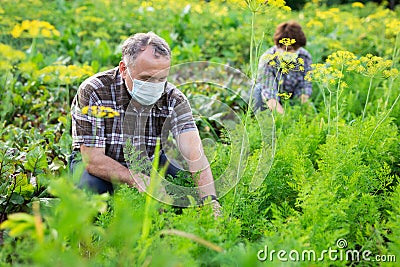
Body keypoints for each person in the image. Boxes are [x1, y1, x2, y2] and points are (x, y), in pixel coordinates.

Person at [70, 32, 220, 214]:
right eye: (147, 78)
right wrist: (136, 179)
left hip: (148, 160)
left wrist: (209, 200)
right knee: (92, 190)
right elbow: (92, 159)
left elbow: (193, 151)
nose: (154, 86)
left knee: (184, 186)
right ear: (124, 69)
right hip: (100, 164)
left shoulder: (173, 98)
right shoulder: (95, 90)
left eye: (161, 79)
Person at [253, 21, 312, 114]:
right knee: (257, 91)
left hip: (289, 99)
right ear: (278, 45)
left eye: (295, 50)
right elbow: (269, 94)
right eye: (287, 49)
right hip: (267, 101)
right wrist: (285, 121)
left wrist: (304, 112)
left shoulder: (304, 57)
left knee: (310, 109)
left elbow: (304, 87)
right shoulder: (268, 59)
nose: (291, 53)